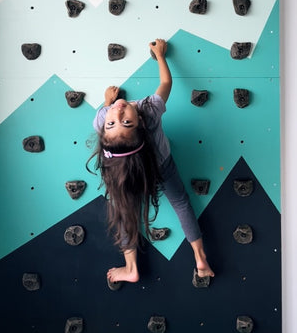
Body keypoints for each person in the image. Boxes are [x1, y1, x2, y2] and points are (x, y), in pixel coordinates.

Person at [89, 38, 214, 285]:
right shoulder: (149, 109)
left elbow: (108, 114)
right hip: (161, 163)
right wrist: (160, 55)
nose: (118, 111)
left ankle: (130, 266)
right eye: (120, 120)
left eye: (116, 121)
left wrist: (107, 101)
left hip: (132, 172)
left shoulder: (103, 117)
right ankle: (200, 258)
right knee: (180, 201)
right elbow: (166, 83)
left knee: (125, 210)